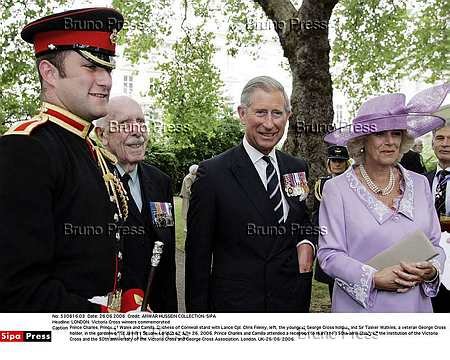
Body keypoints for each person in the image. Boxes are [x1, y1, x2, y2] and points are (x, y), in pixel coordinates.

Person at [0, 8, 127, 312]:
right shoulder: (25, 148)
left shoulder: (94, 151)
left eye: (107, 68)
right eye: (90, 67)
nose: (105, 80)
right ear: (49, 73)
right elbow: (17, 290)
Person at [185, 76, 316, 312]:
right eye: (260, 112)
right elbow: (198, 257)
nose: (269, 123)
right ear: (242, 113)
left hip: (289, 304)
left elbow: (301, 220)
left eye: (276, 113)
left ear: (288, 116)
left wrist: (307, 243)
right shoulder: (213, 173)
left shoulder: (296, 167)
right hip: (237, 308)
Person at [318, 83, 448, 312]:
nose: (390, 141)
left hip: (415, 308)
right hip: (362, 310)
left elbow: (435, 244)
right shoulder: (336, 189)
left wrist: (432, 270)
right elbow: (329, 255)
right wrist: (374, 278)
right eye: (380, 133)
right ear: (363, 141)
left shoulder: (420, 185)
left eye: (396, 133)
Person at [94, 96, 178, 312]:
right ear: (102, 135)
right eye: (124, 124)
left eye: (141, 122)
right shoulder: (92, 182)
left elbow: (166, 257)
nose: (137, 131)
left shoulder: (160, 181)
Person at [312, 145, 350, 300]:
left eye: (341, 161)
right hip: (328, 238)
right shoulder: (322, 184)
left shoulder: (353, 183)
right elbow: (317, 214)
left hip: (348, 238)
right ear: (328, 162)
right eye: (334, 160)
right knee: (331, 282)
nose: (337, 164)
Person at [426, 104, 450, 312]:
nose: (445, 144)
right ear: (432, 143)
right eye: (440, 138)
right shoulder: (421, 182)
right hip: (428, 268)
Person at [180, 164, 198, 231]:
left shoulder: (193, 176)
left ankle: (190, 225)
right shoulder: (189, 177)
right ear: (194, 170)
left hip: (190, 197)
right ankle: (186, 227)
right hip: (186, 196)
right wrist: (194, 195)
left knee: (190, 211)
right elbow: (188, 188)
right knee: (186, 211)